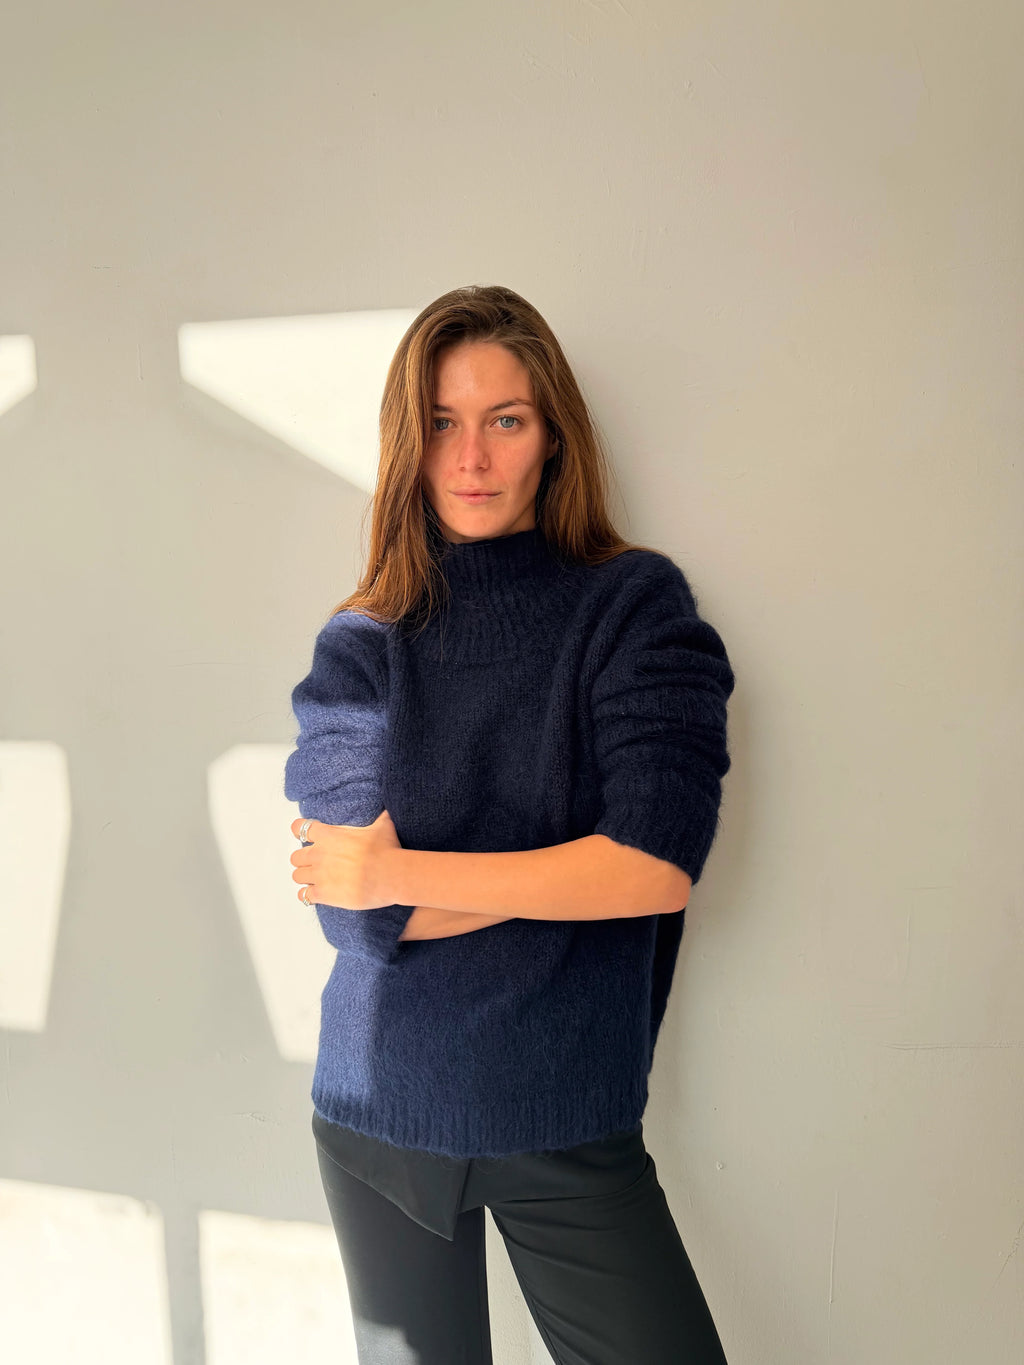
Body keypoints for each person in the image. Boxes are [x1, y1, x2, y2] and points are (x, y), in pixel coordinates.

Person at [283, 284, 735, 1364]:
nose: (472, 457)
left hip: (565, 1117)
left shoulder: (631, 607)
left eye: (505, 420)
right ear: (408, 442)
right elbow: (349, 913)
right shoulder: (363, 641)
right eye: (442, 422)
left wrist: (401, 874)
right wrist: (562, 873)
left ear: (552, 437)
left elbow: (652, 867)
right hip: (378, 1110)